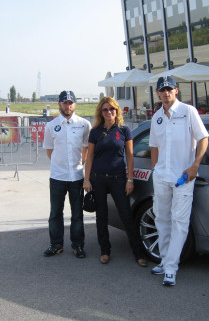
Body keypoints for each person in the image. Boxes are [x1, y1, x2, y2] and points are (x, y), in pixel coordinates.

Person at [149, 76, 209, 286]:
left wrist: (195, 165)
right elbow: (154, 146)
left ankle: (171, 268)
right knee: (161, 219)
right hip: (162, 177)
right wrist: (156, 169)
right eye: (162, 90)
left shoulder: (188, 111)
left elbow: (203, 138)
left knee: (179, 223)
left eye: (169, 89)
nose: (166, 93)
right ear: (157, 93)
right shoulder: (156, 117)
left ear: (176, 91)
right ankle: (165, 260)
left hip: (183, 178)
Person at [83, 96, 147, 267]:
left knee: (126, 215)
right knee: (101, 216)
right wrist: (86, 179)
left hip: (119, 178)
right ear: (101, 112)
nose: (109, 112)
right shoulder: (95, 132)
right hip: (98, 179)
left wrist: (130, 179)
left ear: (117, 111)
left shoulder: (125, 130)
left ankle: (139, 253)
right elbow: (89, 158)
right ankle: (105, 251)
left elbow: (130, 156)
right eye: (105, 109)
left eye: (112, 109)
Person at [42, 90, 91, 258]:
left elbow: (86, 148)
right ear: (59, 104)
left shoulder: (84, 124)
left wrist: (79, 164)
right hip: (57, 177)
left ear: (75, 104)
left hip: (76, 177)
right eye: (65, 102)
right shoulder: (51, 126)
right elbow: (49, 150)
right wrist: (60, 164)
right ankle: (56, 244)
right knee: (55, 213)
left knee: (77, 213)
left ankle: (78, 245)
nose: (68, 106)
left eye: (71, 102)